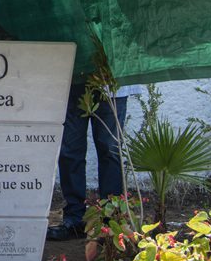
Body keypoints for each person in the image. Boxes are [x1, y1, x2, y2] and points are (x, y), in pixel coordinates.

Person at [47, 80, 144, 240]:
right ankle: (74, 218)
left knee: (110, 151)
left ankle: (111, 221)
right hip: (74, 80)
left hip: (113, 84)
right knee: (69, 151)